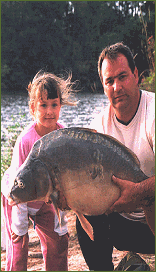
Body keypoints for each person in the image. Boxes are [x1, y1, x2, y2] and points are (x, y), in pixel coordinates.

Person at [76, 42, 155, 271]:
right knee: (87, 219)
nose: (117, 87)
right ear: (103, 86)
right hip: (122, 223)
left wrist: (140, 193)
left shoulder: (153, 112)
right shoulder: (98, 127)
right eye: (109, 81)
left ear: (136, 75)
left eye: (122, 77)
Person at [2, 70, 77, 271]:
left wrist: (61, 224)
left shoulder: (63, 136)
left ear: (61, 106)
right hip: (16, 197)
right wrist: (20, 227)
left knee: (58, 242)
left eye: (54, 104)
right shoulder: (25, 141)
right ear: (34, 108)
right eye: (43, 105)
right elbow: (17, 185)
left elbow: (63, 180)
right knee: (19, 247)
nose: (49, 111)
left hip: (46, 198)